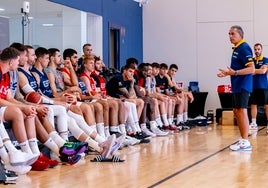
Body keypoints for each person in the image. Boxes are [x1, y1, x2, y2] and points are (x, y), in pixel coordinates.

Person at [217, 25, 255, 151]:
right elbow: (237, 69)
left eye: (232, 33)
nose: (230, 36)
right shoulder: (237, 48)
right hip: (237, 85)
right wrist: (228, 73)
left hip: (243, 85)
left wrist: (234, 73)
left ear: (240, 34)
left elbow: (251, 68)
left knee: (241, 110)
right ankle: (243, 138)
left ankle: (245, 141)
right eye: (229, 34)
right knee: (237, 111)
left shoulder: (244, 48)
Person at [249, 43, 268, 131]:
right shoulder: (251, 61)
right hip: (253, 86)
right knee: (253, 105)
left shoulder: (265, 60)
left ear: (261, 49)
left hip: (264, 86)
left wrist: (256, 70)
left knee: (266, 106)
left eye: (258, 49)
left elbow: (263, 71)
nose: (257, 51)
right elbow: (250, 72)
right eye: (255, 49)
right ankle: (253, 123)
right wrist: (258, 70)